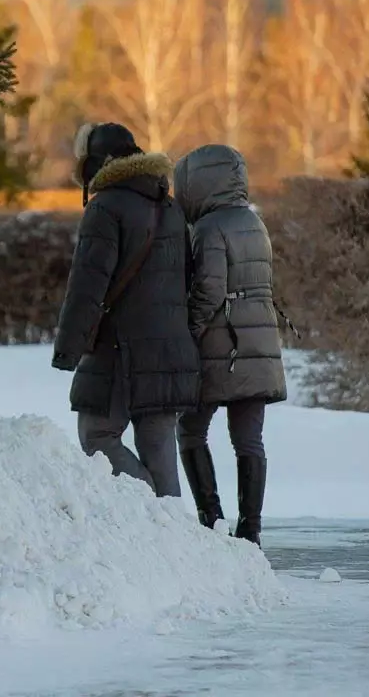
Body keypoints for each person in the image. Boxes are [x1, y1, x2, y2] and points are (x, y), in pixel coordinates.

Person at [51, 122, 200, 497]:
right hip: (172, 347)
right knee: (159, 448)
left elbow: (88, 284)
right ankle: (176, 542)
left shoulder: (106, 208)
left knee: (97, 435)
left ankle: (150, 512)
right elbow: (187, 278)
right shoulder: (169, 207)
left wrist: (68, 349)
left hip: (120, 349)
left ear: (96, 164)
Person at [173, 144, 287, 547]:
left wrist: (186, 333)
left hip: (221, 348)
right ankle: (251, 528)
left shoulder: (208, 228)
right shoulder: (254, 223)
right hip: (259, 343)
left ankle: (212, 519)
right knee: (248, 439)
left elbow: (209, 289)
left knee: (190, 430)